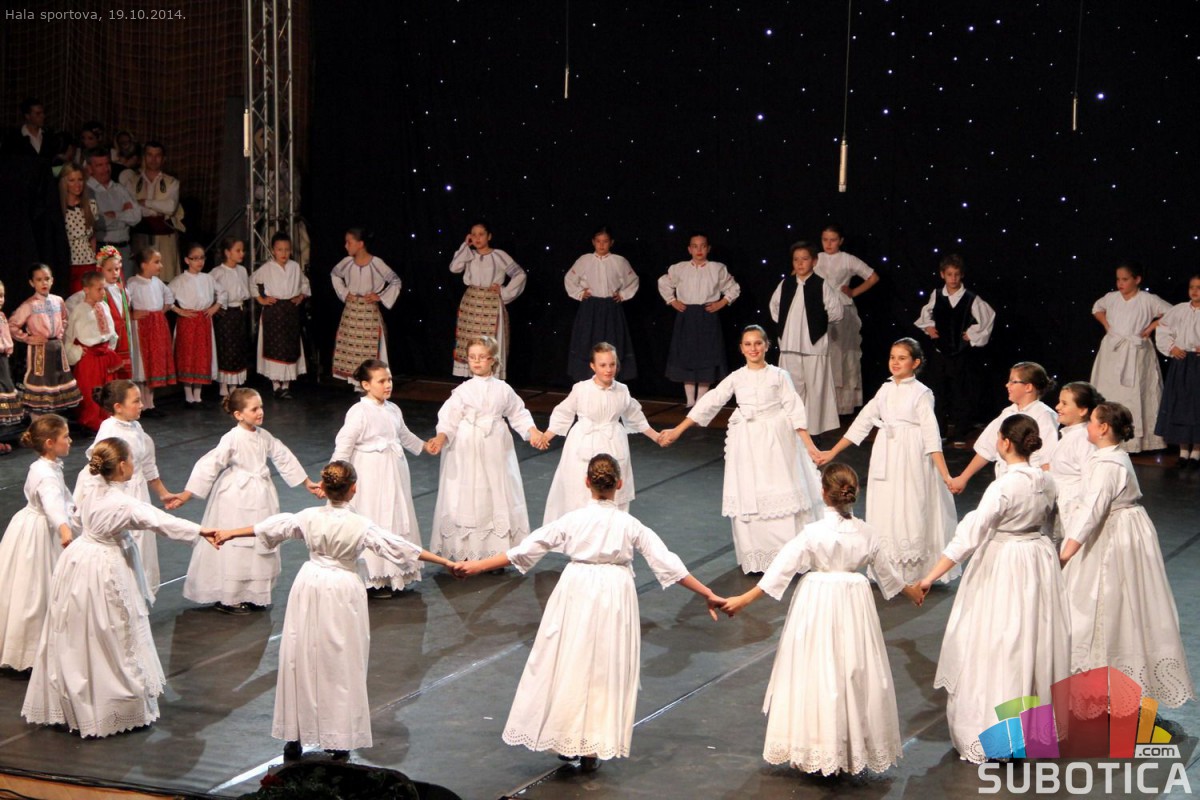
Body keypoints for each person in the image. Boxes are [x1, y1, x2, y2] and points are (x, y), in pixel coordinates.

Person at [457, 454, 724, 772]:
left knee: (571, 660)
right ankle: (591, 746)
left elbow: (527, 549)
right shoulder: (629, 524)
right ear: (619, 484)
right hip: (614, 593)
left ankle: (567, 735)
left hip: (577, 588)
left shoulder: (573, 520)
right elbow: (668, 563)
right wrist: (707, 593)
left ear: (587, 482)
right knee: (603, 667)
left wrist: (477, 566)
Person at [212, 461, 461, 761]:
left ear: (324, 488)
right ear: (353, 488)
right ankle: (339, 738)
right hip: (342, 589)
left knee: (300, 656)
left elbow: (271, 527)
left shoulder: (309, 516)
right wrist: (445, 562)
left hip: (309, 585)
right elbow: (400, 547)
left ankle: (295, 736)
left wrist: (229, 533)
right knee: (341, 661)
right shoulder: (360, 525)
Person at [720, 463, 924, 775]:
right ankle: (847, 747)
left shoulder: (813, 533)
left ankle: (816, 744)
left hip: (817, 603)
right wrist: (913, 592)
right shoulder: (867, 533)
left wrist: (743, 600)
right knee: (852, 669)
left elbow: (780, 569)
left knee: (816, 669)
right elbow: (889, 575)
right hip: (854, 605)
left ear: (824, 493)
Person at [21, 438, 218, 738]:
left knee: (79, 630)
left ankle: (76, 700)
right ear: (123, 465)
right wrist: (201, 530)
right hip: (104, 566)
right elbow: (158, 520)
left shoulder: (91, 487)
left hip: (78, 560)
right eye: (132, 460)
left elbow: (76, 518)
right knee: (114, 629)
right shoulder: (121, 502)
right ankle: (111, 704)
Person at [918, 414, 1069, 763]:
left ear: (1004, 442)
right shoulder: (1047, 480)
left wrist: (929, 577)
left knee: (999, 640)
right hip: (1037, 561)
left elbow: (970, 535)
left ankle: (996, 730)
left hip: (1006, 563)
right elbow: (1055, 526)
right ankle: (1029, 730)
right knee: (1031, 639)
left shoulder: (1004, 486)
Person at [1059, 403, 1195, 707]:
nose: (1088, 426)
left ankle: (1107, 686)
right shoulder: (1107, 457)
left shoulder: (1109, 465)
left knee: (1109, 601)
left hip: (1115, 537)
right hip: (1116, 529)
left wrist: (1065, 554)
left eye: (1092, 421)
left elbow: (1092, 511)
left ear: (1104, 427)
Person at [659, 326, 823, 573]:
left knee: (781, 488)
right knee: (751, 493)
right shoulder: (737, 377)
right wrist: (678, 429)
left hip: (776, 442)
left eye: (758, 343)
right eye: (748, 344)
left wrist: (809, 446)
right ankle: (759, 556)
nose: (753, 348)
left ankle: (789, 557)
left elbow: (794, 409)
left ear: (766, 346)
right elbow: (711, 400)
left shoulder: (779, 376)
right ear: (741, 348)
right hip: (747, 444)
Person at [814, 338, 958, 584]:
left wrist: (945, 475)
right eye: (892, 357)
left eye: (902, 358)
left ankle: (912, 572)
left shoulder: (922, 393)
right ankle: (888, 569)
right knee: (886, 504)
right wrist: (832, 452)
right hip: (886, 454)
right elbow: (862, 422)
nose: (895, 362)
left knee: (909, 505)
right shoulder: (886, 389)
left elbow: (931, 436)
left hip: (911, 456)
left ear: (915, 363)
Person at [175, 387, 321, 613]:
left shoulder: (264, 436)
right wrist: (187, 494)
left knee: (259, 538)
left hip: (261, 494)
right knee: (236, 544)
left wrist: (306, 482)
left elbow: (283, 457)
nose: (260, 412)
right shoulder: (232, 438)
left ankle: (253, 592)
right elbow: (210, 464)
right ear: (238, 414)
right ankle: (230, 597)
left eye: (261, 407)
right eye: (254, 409)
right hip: (236, 496)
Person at [425, 336, 547, 562]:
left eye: (481, 357)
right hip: (466, 447)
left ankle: (495, 552)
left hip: (494, 446)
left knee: (495, 491)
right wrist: (440, 438)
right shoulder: (462, 391)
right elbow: (448, 419)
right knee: (468, 491)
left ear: (492, 360)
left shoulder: (503, 389)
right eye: (472, 357)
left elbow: (518, 413)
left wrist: (533, 432)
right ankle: (465, 549)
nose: (476, 361)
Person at [74, 380, 184, 599]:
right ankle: (123, 595)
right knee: (126, 544)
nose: (141, 405)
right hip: (121, 494)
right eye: (136, 401)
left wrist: (162, 493)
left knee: (141, 545)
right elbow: (98, 473)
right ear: (118, 407)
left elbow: (147, 464)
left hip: (138, 491)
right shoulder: (110, 432)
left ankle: (137, 595)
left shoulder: (135, 426)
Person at [331, 360, 426, 597]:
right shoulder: (359, 412)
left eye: (389, 379)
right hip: (371, 473)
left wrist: (426, 446)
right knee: (375, 515)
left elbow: (404, 435)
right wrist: (334, 478)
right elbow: (344, 445)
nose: (387, 385)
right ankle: (373, 577)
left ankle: (393, 573)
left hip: (394, 471)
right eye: (381, 381)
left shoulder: (393, 409)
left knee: (395, 515)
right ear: (366, 385)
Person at [541, 342, 659, 522]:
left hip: (612, 443)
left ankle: (612, 531)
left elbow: (634, 415)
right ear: (593, 366)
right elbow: (564, 412)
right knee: (578, 491)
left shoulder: (622, 390)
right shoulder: (581, 389)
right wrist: (546, 436)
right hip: (583, 443)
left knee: (613, 491)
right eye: (603, 365)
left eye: (612, 364)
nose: (608, 369)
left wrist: (656, 436)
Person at [0, 416, 76, 671]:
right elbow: (52, 503)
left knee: (30, 588)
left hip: (31, 525)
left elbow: (62, 499)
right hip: (41, 532)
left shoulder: (45, 466)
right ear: (50, 443)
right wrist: (64, 529)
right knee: (35, 590)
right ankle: (31, 651)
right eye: (65, 437)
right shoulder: (45, 474)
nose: (70, 440)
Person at [1089, 261, 1171, 453]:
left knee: (1136, 392)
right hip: (1113, 350)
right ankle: (1106, 437)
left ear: (1137, 279)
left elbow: (1172, 313)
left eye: (1125, 279)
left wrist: (1151, 327)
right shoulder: (1111, 298)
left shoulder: (1148, 299)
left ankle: (1137, 441)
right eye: (1118, 279)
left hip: (1136, 352)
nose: (1120, 283)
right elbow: (1096, 308)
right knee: (1110, 390)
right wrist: (1106, 324)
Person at [914, 254, 996, 442]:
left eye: (956, 274)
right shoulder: (937, 294)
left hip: (960, 354)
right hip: (940, 353)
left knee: (961, 392)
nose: (953, 278)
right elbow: (926, 314)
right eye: (949, 274)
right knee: (939, 392)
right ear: (942, 274)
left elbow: (988, 317)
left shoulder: (970, 298)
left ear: (962, 275)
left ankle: (960, 431)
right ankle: (940, 432)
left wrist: (972, 334)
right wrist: (929, 327)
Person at [947, 362, 1059, 493]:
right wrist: (963, 478)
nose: (1007, 385)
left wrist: (1047, 492)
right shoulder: (1008, 412)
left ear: (1028, 387)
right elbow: (987, 447)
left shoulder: (1044, 415)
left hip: (1029, 486)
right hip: (1005, 483)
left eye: (1013, 381)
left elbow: (1048, 458)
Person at [769, 240, 844, 435]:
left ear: (814, 261)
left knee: (816, 390)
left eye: (804, 259)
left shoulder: (821, 284)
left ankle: (814, 432)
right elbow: (774, 307)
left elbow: (836, 312)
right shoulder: (786, 283)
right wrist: (787, 327)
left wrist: (818, 324)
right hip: (789, 345)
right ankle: (792, 429)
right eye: (796, 259)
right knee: (791, 390)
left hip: (814, 346)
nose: (800, 263)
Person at [657, 232, 740, 407]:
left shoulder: (717, 268)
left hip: (707, 316)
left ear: (708, 248)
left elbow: (733, 288)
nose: (699, 249)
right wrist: (672, 301)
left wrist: (721, 302)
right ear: (689, 249)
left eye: (703, 246)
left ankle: (701, 402)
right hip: (686, 316)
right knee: (686, 357)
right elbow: (663, 282)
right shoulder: (679, 268)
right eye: (695, 246)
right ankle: (690, 401)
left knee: (706, 358)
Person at [815, 224, 880, 415]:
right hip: (819, 310)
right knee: (820, 354)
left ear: (841, 241)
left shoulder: (847, 259)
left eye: (833, 240)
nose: (828, 243)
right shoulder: (816, 258)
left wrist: (854, 292)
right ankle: (820, 403)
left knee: (841, 355)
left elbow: (873, 277)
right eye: (825, 239)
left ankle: (840, 406)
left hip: (842, 311)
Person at [449, 220, 526, 380]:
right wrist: (465, 246)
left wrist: (504, 291)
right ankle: (473, 379)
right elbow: (454, 267)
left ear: (489, 236)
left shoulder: (499, 255)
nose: (477, 238)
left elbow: (520, 274)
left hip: (491, 304)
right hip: (471, 304)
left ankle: (491, 379)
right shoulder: (468, 254)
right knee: (471, 342)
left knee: (489, 343)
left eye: (481, 234)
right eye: (473, 235)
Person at [564, 226, 640, 381]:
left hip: (611, 308)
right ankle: (588, 381)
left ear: (611, 243)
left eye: (605, 241)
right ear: (593, 242)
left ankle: (611, 381)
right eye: (598, 241)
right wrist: (579, 293)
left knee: (612, 342)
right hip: (590, 308)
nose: (601, 245)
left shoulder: (619, 261)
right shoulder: (585, 260)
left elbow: (633, 280)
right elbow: (569, 279)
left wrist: (623, 295)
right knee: (588, 342)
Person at [7, 264, 82, 418]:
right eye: (39, 280)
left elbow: (64, 319)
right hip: (40, 350)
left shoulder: (58, 301)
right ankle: (39, 422)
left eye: (47, 279)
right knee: (41, 384)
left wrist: (60, 333)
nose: (44, 283)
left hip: (57, 348)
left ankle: (53, 421)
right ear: (32, 283)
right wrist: (28, 338)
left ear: (52, 280)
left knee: (57, 383)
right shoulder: (29, 305)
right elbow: (12, 325)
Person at [330, 227, 402, 385]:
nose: (346, 246)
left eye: (349, 242)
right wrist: (344, 292)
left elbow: (396, 281)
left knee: (370, 350)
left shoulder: (376, 263)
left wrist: (380, 296)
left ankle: (372, 385)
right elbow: (334, 274)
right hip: (351, 313)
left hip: (369, 314)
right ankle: (358, 386)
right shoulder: (347, 262)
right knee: (352, 350)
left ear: (360, 244)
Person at [252, 231, 310, 399]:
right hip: (274, 311)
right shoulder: (267, 268)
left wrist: (301, 296)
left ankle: (286, 385)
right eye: (280, 249)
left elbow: (305, 283)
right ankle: (276, 385)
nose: (283, 253)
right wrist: (261, 299)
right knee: (274, 346)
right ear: (273, 250)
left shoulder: (295, 267)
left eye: (287, 249)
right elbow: (252, 282)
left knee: (289, 347)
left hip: (290, 311)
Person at [64, 271, 122, 431]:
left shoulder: (104, 306)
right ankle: (90, 421)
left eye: (104, 289)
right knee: (90, 389)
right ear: (86, 289)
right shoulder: (79, 310)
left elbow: (111, 330)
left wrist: (110, 347)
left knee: (107, 389)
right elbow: (69, 336)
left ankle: (107, 418)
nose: (103, 292)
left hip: (104, 355)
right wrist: (75, 350)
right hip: (90, 357)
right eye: (99, 289)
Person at [1154, 274, 1200, 469]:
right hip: (1182, 361)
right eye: (1192, 287)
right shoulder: (1180, 309)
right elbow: (1163, 327)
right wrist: (1171, 348)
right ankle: (1183, 451)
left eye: (1199, 287)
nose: (1195, 291)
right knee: (1180, 404)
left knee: (1196, 405)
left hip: (1198, 362)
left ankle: (1196, 451)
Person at [121, 141, 184, 281]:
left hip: (165, 238)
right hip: (140, 236)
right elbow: (130, 208)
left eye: (157, 155)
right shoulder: (132, 181)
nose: (153, 159)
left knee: (165, 277)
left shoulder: (172, 182)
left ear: (163, 158)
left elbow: (170, 207)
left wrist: (145, 202)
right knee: (139, 279)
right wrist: (156, 209)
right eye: (149, 155)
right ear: (144, 157)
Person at [169, 243, 223, 408]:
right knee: (187, 356)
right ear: (187, 260)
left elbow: (222, 293)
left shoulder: (207, 278)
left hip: (203, 320)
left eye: (202, 258)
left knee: (201, 356)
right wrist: (178, 310)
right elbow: (166, 297)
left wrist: (215, 307)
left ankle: (198, 397)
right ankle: (188, 396)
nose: (200, 262)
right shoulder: (180, 280)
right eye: (195, 258)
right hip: (188, 321)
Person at [1048, 381, 1102, 542]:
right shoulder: (1069, 435)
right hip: (1061, 506)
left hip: (1073, 509)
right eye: (1059, 402)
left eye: (1064, 403)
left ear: (1082, 410)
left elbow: (1089, 479)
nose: (1057, 407)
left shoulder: (1084, 439)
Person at [126, 247, 177, 416]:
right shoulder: (133, 283)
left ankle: (150, 403)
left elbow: (169, 297)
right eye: (156, 262)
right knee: (142, 363)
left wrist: (160, 312)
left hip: (156, 327)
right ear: (144, 265)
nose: (160, 265)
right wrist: (131, 314)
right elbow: (124, 304)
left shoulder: (157, 282)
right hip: (141, 327)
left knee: (154, 363)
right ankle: (142, 404)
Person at [210, 238, 252, 396]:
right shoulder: (217, 272)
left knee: (238, 348)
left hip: (239, 312)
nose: (242, 254)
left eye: (243, 250)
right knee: (226, 348)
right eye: (238, 250)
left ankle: (234, 384)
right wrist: (215, 306)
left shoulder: (242, 270)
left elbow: (245, 291)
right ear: (227, 253)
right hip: (225, 314)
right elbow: (208, 291)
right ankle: (223, 385)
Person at [85, 150, 140, 269]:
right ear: (89, 168)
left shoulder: (119, 188)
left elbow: (137, 216)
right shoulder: (87, 191)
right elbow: (98, 223)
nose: (105, 169)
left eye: (107, 164)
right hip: (102, 250)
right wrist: (124, 216)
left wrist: (115, 214)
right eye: (99, 165)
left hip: (125, 251)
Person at [59, 163, 98, 293]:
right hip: (68, 262)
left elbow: (93, 236)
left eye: (80, 179)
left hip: (88, 262)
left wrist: (93, 255)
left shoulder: (91, 205)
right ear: (65, 183)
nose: (77, 184)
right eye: (72, 180)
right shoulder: (59, 208)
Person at [96, 247, 134, 379]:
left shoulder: (122, 290)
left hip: (124, 337)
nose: (114, 273)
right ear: (101, 270)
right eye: (109, 270)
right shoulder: (100, 292)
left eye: (117, 269)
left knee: (125, 372)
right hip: (111, 337)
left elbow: (126, 310)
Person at [0, 280, 24, 430]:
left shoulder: (2, 315)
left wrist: (8, 349)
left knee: (5, 388)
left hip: (3, 359)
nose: (0, 299)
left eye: (2, 296)